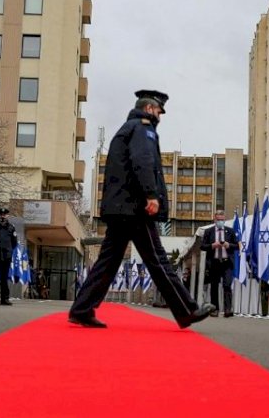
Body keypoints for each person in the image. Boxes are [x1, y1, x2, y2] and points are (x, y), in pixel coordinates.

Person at [68, 89, 215, 328]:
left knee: (108, 261)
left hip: (120, 208)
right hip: (135, 208)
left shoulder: (126, 129)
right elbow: (143, 161)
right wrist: (150, 194)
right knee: (158, 260)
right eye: (159, 110)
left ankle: (82, 308)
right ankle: (187, 310)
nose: (160, 116)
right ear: (149, 109)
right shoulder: (142, 128)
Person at [200, 210, 239, 318]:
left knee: (227, 285)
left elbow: (237, 246)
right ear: (215, 219)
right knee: (214, 286)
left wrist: (228, 245)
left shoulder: (230, 231)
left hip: (227, 263)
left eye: (222, 220)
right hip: (214, 262)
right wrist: (212, 245)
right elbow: (202, 246)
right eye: (218, 220)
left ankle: (227, 309)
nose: (220, 222)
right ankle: (215, 309)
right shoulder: (208, 231)